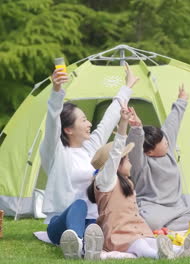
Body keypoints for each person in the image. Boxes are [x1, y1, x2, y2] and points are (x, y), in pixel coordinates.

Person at [40, 62, 138, 259]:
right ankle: (76, 240)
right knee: (79, 205)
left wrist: (127, 87)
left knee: (102, 232)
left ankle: (83, 248)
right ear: (68, 129)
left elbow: (109, 118)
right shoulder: (56, 153)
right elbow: (52, 121)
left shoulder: (90, 149)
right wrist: (57, 90)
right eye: (83, 120)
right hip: (61, 224)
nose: (89, 123)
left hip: (91, 221)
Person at [87, 105, 190, 259]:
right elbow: (115, 154)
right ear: (115, 165)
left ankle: (179, 250)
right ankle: (158, 256)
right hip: (119, 235)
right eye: (126, 159)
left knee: (151, 242)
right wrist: (123, 124)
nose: (131, 163)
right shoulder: (106, 182)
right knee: (141, 246)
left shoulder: (127, 182)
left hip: (138, 231)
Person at [126, 84, 190, 231]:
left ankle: (167, 228)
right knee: (149, 221)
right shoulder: (141, 163)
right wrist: (136, 128)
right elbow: (134, 147)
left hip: (177, 208)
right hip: (153, 209)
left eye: (164, 138)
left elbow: (173, 122)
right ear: (149, 152)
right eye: (160, 141)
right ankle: (160, 226)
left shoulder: (168, 147)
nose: (165, 141)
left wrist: (182, 100)